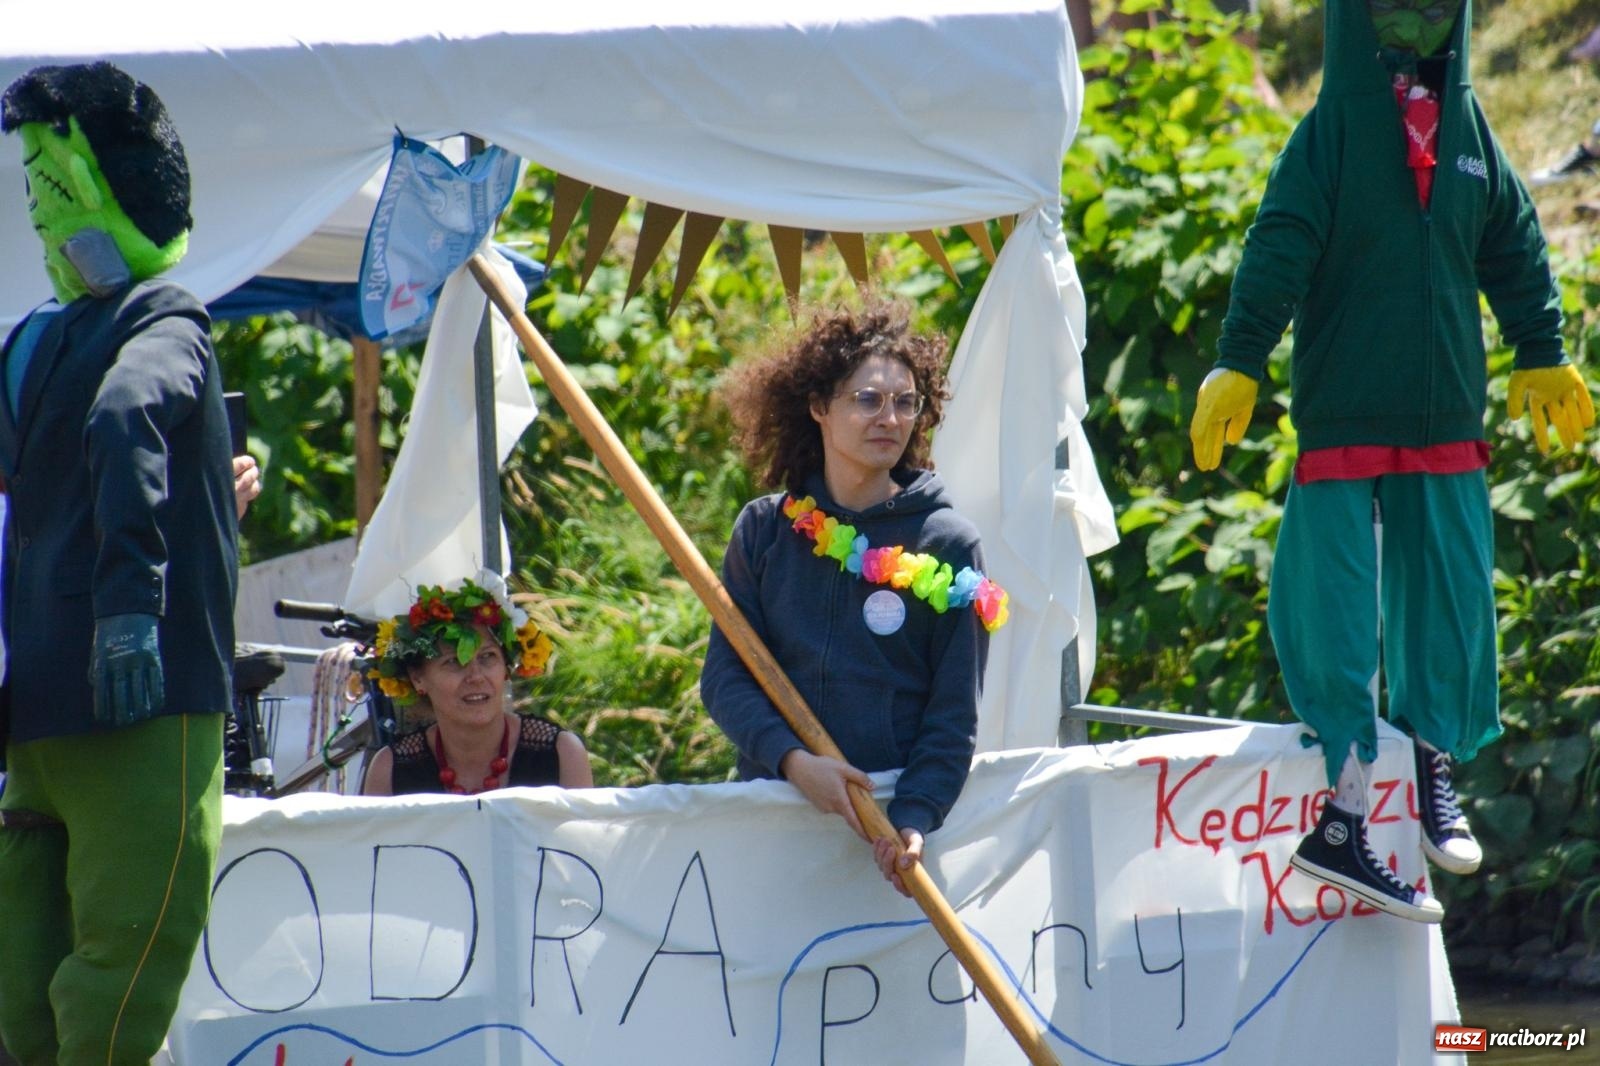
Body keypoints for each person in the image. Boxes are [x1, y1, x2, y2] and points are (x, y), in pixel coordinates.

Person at [1190, 0, 1595, 923]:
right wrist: (1240, 356)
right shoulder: (1329, 134)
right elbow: (1278, 247)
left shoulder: (1469, 131)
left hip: (1446, 406)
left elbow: (1516, 241)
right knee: (1332, 598)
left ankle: (1432, 759)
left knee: (1446, 593)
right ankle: (1344, 811)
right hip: (1344, 409)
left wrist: (1540, 343)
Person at [0, 62, 239, 1064]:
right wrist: (132, 600)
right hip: (141, 698)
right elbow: (126, 411)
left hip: (35, 714)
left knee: (25, 982)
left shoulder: (29, 342)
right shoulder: (164, 319)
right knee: (125, 966)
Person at [700, 303, 1005, 897]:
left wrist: (915, 819)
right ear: (819, 408)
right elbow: (724, 679)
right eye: (867, 399)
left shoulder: (950, 544)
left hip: (890, 839)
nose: (889, 418)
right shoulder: (765, 530)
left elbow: (952, 718)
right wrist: (793, 763)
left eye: (906, 402)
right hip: (773, 817)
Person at [360, 573, 592, 795]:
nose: (476, 676)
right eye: (454, 661)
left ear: (506, 669)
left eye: (488, 657)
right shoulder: (390, 769)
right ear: (418, 678)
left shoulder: (561, 754)